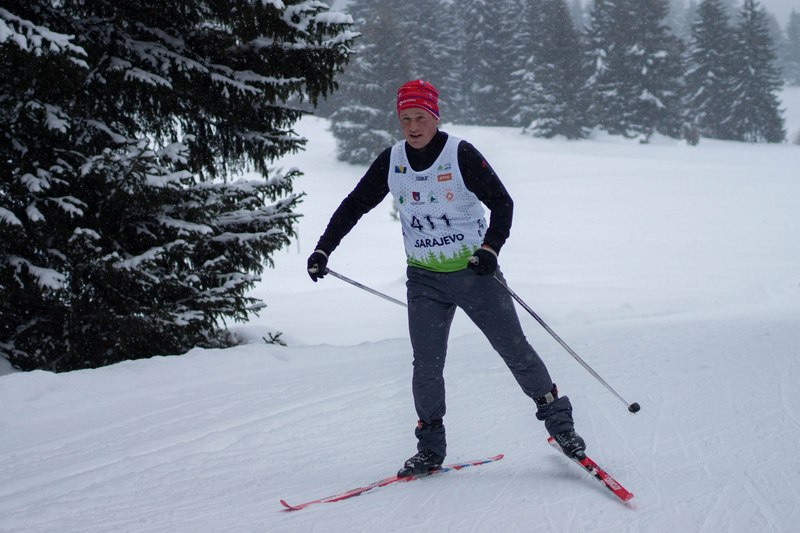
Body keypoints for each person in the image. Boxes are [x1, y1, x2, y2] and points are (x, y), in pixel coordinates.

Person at [307, 80, 585, 477]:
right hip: (425, 280)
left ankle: (561, 428)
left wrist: (489, 249)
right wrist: (323, 249)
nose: (413, 127)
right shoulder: (392, 160)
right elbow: (354, 205)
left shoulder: (460, 154)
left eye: (420, 118)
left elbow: (502, 202)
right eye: (405, 119)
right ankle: (430, 449)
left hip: (474, 273)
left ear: (435, 117)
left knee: (514, 349)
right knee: (426, 365)